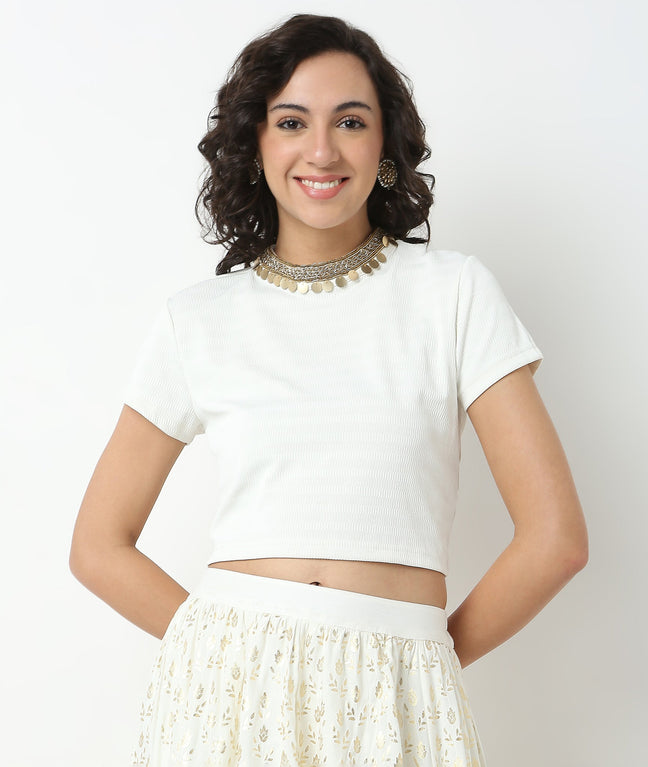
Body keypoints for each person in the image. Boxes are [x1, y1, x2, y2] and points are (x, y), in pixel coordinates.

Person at [69, 13, 588, 766]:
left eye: (350, 121)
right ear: (255, 144)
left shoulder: (452, 293)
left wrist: (419, 665)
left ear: (385, 145)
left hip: (398, 691)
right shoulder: (198, 319)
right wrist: (221, 654)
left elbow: (555, 540)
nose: (321, 150)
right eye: (291, 122)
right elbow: (96, 546)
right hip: (226, 695)